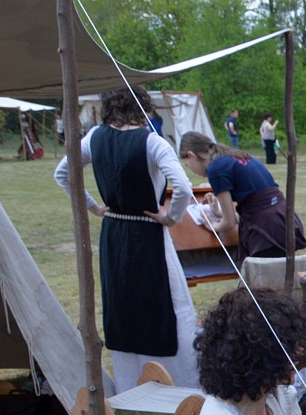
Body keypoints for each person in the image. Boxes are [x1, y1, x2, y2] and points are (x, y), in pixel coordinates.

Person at [54, 86, 200, 394]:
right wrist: (171, 216)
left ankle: (132, 381)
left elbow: (63, 173)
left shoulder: (95, 137)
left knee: (123, 303)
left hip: (115, 234)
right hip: (148, 232)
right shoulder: (151, 141)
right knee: (167, 303)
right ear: (143, 107)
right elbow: (184, 188)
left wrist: (95, 207)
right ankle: (181, 382)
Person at [179, 131, 306, 262]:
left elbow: (229, 223)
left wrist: (212, 224)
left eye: (188, 165)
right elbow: (256, 209)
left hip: (267, 230)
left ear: (192, 155)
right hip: (280, 219)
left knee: (265, 279)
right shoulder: (233, 155)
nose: (192, 171)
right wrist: (220, 212)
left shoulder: (215, 169)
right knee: (276, 276)